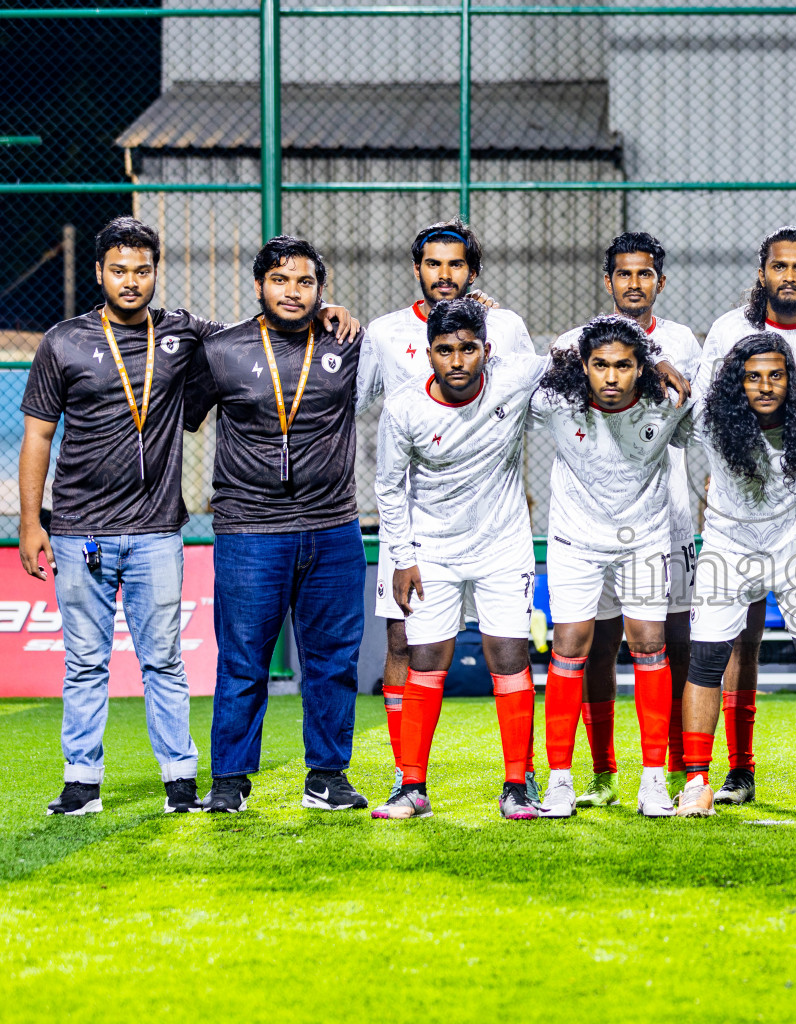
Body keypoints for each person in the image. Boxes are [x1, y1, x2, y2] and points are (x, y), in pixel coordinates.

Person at [18, 216, 356, 817]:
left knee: (169, 662)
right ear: (99, 273)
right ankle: (89, 782)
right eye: (118, 270)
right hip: (83, 529)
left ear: (156, 273)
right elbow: (40, 436)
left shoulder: (189, 337)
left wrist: (339, 311)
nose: (130, 281)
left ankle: (188, 781)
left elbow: (270, 336)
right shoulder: (70, 342)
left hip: (159, 530)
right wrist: (29, 521)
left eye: (142, 270)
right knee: (90, 662)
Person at [183, 236, 374, 814]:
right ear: (261, 283)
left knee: (334, 658)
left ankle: (328, 776)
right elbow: (180, 421)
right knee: (242, 657)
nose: (293, 292)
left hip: (333, 526)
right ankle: (230, 781)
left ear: (322, 288)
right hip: (249, 529)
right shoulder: (223, 350)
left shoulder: (348, 341)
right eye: (281, 280)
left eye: (306, 283)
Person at [356, 220, 536, 806]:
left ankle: (519, 780)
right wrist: (401, 555)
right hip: (421, 537)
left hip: (500, 538)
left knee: (508, 651)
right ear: (417, 269)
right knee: (409, 650)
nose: (444, 275)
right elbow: (382, 470)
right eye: (433, 264)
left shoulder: (507, 331)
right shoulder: (385, 340)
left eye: (455, 264)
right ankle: (409, 780)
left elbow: (567, 360)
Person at [693, 227, 796, 806]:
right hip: (737, 500)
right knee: (734, 643)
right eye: (779, 267)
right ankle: (735, 769)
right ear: (762, 272)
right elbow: (704, 407)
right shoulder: (728, 330)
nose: (789, 277)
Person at [550, 233, 702, 808]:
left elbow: (694, 412)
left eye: (644, 275)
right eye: (623, 274)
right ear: (608, 280)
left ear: (659, 281)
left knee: (665, 639)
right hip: (584, 522)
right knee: (590, 643)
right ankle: (596, 770)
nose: (633, 284)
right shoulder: (573, 344)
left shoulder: (683, 340)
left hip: (661, 510)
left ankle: (672, 771)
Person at [675, 333, 796, 818]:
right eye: (753, 377)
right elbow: (659, 410)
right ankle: (696, 781)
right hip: (729, 549)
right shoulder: (710, 419)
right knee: (707, 661)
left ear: (791, 380)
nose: (765, 386)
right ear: (738, 382)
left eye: (776, 375)